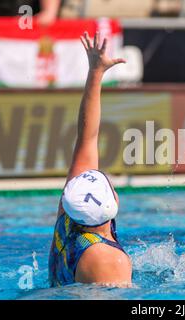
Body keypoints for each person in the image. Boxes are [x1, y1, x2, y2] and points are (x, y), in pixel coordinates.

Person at [48, 31, 131, 287]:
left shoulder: (69, 215)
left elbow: (88, 136)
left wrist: (95, 73)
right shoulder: (107, 261)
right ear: (113, 202)